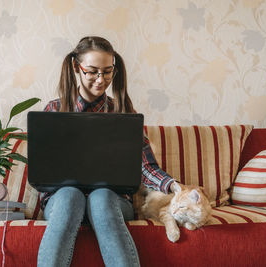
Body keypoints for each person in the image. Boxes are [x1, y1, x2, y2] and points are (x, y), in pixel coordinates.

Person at [37, 36, 176, 267]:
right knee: (70, 194)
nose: (101, 80)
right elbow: (43, 171)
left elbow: (145, 166)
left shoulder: (122, 111)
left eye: (107, 72)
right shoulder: (53, 110)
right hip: (63, 202)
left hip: (112, 202)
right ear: (76, 67)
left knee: (101, 197)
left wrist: (172, 185)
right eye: (92, 71)